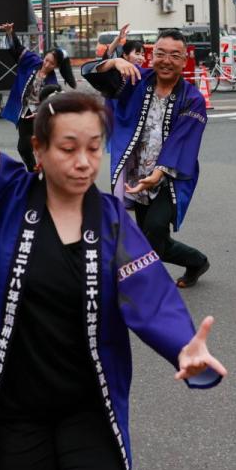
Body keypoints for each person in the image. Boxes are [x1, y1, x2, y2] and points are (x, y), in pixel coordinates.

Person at [0, 0, 225, 470]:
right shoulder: (3, 195)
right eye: (68, 148)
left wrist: (184, 347)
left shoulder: (112, 218)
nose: (83, 162)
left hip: (88, 406)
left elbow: (148, 292)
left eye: (94, 148)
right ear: (38, 149)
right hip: (14, 409)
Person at [82, 28, 211, 289]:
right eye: (160, 53)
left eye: (174, 55)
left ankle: (146, 284)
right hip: (136, 174)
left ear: (184, 59)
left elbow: (183, 140)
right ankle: (197, 261)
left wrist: (159, 173)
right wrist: (113, 61)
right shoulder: (135, 79)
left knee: (152, 232)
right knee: (154, 238)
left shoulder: (192, 98)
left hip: (170, 177)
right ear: (152, 56)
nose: (166, 60)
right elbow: (93, 74)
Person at [0, 22, 77, 171]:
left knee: (41, 146)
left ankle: (48, 172)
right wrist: (10, 33)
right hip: (24, 111)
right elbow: (17, 50)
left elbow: (51, 102)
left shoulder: (52, 81)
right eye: (46, 60)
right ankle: (34, 171)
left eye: (52, 64)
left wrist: (39, 112)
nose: (47, 65)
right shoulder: (32, 62)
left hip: (40, 116)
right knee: (23, 147)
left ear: (56, 66)